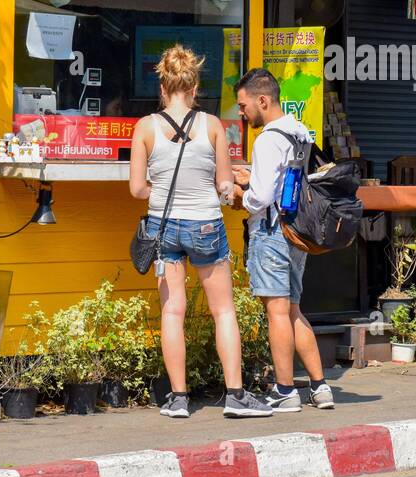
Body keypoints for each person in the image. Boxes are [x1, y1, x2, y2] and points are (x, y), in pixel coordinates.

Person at [129, 45, 272, 420]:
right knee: (223, 310)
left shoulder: (144, 128)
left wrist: (158, 192)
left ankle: (177, 399)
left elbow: (136, 189)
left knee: (172, 312)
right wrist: (231, 187)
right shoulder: (212, 126)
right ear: (194, 89)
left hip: (163, 226)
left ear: (163, 88)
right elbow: (224, 184)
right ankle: (237, 396)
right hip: (206, 224)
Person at [231, 68, 334, 411]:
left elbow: (260, 198)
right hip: (296, 232)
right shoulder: (299, 131)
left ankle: (285, 390)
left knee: (277, 311)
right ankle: (320, 387)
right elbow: (281, 182)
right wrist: (254, 180)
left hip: (272, 231)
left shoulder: (267, 139)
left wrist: (238, 194)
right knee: (292, 310)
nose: (242, 114)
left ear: (263, 100)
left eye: (244, 106)